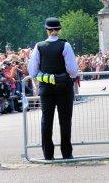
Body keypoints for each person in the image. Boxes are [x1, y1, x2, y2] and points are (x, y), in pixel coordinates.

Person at [28, 17, 78, 160]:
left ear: (47, 30)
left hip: (46, 86)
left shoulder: (39, 46)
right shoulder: (65, 45)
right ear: (59, 30)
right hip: (63, 86)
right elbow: (73, 70)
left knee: (46, 119)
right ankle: (67, 153)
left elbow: (32, 71)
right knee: (65, 120)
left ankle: (48, 154)